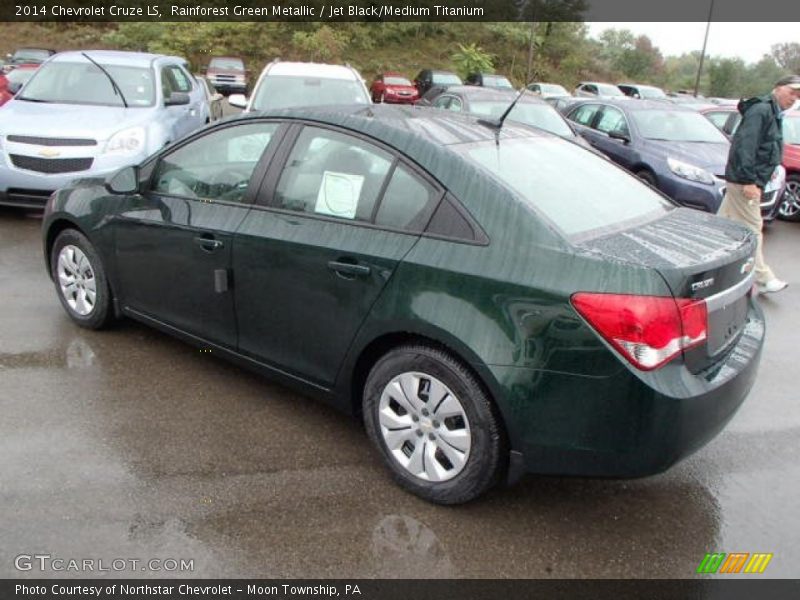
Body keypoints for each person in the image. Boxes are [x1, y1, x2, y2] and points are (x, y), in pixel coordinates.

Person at [720, 75, 800, 294]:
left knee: (721, 226)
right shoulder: (762, 110)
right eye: (791, 92)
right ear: (778, 89)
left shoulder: (774, 113)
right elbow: (745, 146)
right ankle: (763, 278)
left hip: (747, 180)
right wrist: (749, 181)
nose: (794, 98)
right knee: (754, 229)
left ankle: (705, 263)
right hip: (744, 181)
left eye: (798, 95)